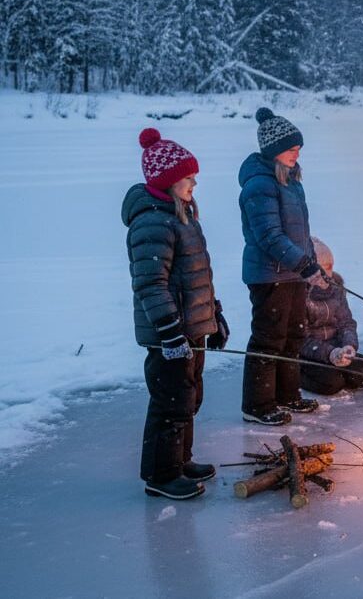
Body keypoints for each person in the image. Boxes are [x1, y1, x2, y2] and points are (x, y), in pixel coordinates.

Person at [123, 128, 229, 500]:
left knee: (188, 397)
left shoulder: (182, 217)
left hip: (189, 328)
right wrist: (169, 331)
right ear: (169, 182)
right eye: (188, 178)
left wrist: (213, 317)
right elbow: (150, 284)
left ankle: (180, 460)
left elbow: (197, 277)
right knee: (171, 401)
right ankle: (161, 474)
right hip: (168, 333)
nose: (194, 184)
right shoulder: (153, 222)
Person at [238, 107, 328, 426]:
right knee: (269, 338)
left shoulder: (291, 181)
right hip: (269, 276)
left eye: (298, 148)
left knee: (293, 335)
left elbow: (300, 233)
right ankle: (258, 404)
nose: (296, 153)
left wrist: (312, 264)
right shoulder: (259, 185)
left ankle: (288, 394)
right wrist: (302, 264)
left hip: (293, 274)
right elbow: (269, 236)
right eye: (291, 148)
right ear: (274, 151)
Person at [299, 237, 363, 394]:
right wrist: (329, 353)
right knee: (332, 383)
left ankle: (336, 370)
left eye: (330, 267)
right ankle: (298, 374)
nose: (326, 274)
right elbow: (301, 339)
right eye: (321, 268)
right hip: (309, 354)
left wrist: (348, 346)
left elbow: (346, 323)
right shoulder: (300, 295)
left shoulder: (336, 289)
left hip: (336, 348)